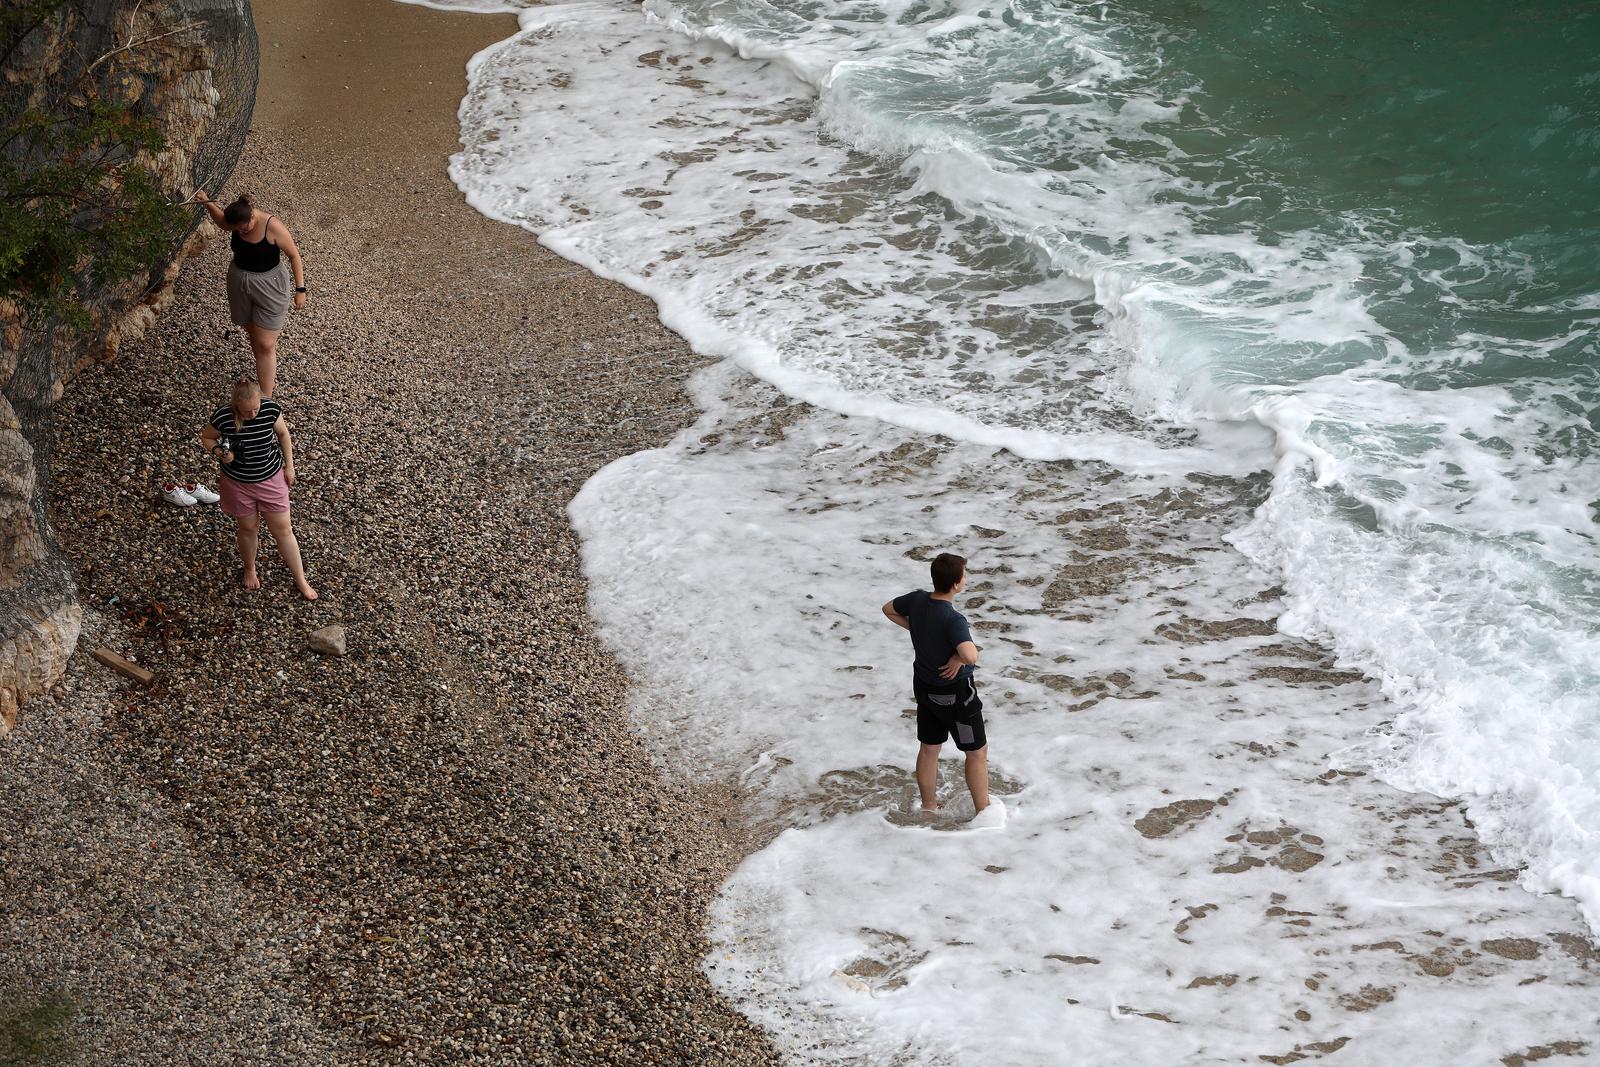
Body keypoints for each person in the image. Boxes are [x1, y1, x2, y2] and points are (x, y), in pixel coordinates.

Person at [883, 552, 989, 815]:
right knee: (976, 752)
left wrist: (917, 629)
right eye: (965, 575)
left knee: (929, 748)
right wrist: (957, 657)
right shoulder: (953, 620)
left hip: (925, 688)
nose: (966, 579)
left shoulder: (917, 600)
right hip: (956, 696)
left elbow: (888, 609)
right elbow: (970, 655)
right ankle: (983, 812)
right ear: (955, 584)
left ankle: (929, 807)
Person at [200, 379, 317, 601]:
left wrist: (290, 466)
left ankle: (301, 579)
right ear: (236, 405)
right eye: (247, 411)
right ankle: (250, 568)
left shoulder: (270, 409)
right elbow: (207, 437)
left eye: (256, 408)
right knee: (248, 528)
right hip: (238, 483)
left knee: (284, 530)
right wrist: (219, 452)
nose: (253, 414)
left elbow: (283, 434)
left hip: (270, 479)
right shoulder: (223, 416)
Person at [193, 190, 306, 397]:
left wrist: (300, 289)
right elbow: (222, 222)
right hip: (239, 282)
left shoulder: (272, 226)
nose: (241, 232)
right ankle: (264, 373)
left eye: (244, 228)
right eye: (237, 230)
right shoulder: (237, 222)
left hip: (270, 285)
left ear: (252, 216)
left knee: (266, 343)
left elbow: (294, 256)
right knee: (252, 331)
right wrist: (207, 202)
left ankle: (266, 398)